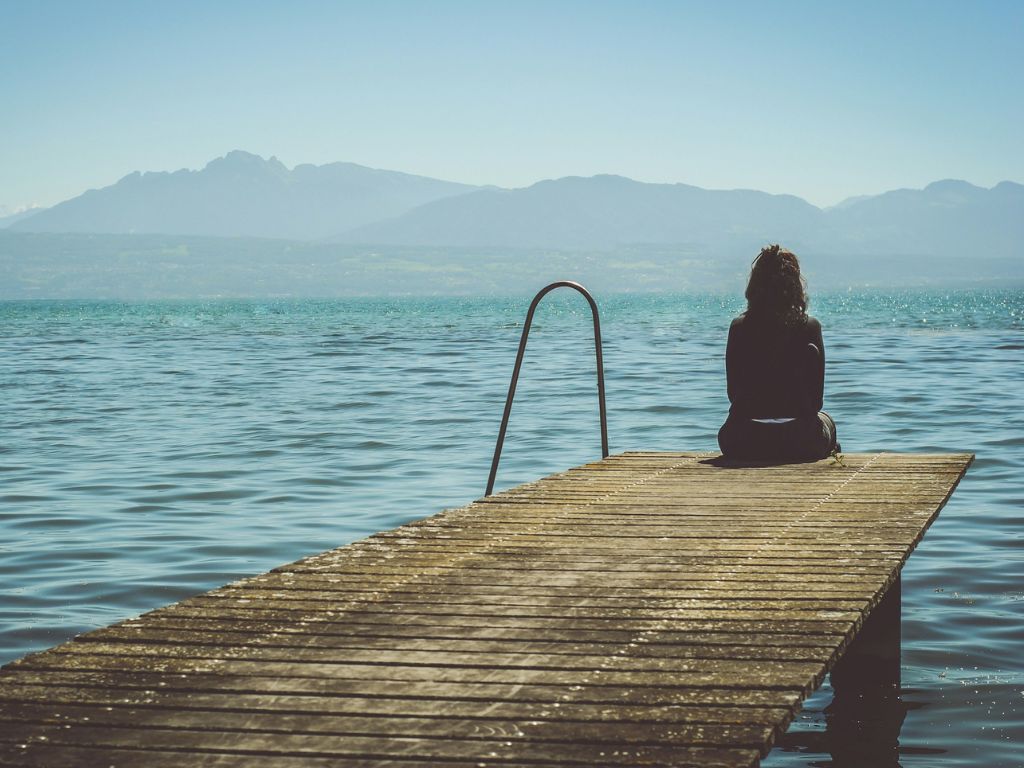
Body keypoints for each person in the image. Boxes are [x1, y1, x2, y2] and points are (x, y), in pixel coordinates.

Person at [717, 244, 839, 461]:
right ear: (795, 287)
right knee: (827, 420)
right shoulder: (810, 327)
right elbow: (816, 402)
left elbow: (733, 395)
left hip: (744, 439)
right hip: (801, 439)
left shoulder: (739, 328)